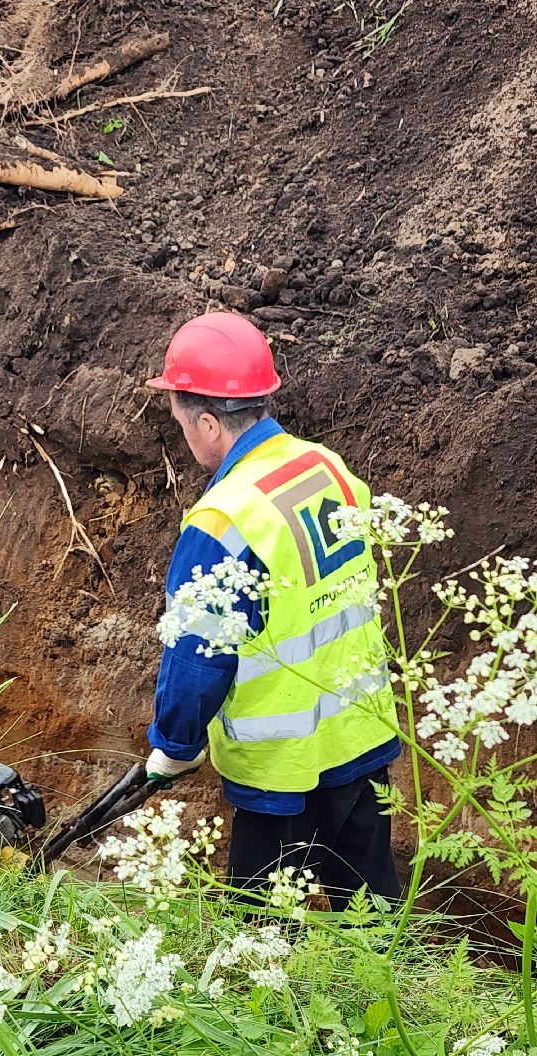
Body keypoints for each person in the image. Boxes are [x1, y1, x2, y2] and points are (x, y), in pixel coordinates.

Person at [143, 311, 401, 910]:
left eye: (182, 423)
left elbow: (199, 657)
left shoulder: (223, 522)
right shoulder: (327, 466)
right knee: (374, 915)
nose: (185, 436)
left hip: (281, 765)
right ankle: (390, 977)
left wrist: (175, 745)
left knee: (263, 933)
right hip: (358, 731)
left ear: (208, 423)